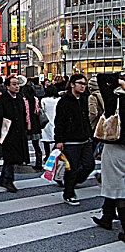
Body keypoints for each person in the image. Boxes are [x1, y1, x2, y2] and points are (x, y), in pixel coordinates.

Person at [92, 72, 125, 243]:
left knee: (116, 187)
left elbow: (101, 77)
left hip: (116, 147)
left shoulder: (115, 101)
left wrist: (119, 79)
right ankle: (107, 215)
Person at [54, 74, 94, 206]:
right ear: (72, 84)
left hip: (85, 139)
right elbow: (59, 122)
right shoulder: (64, 101)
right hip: (70, 141)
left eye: (84, 83)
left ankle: (73, 182)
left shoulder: (85, 99)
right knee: (72, 168)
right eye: (80, 83)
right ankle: (68, 193)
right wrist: (59, 140)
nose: (83, 86)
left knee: (89, 165)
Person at [0, 76, 29, 193]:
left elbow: (23, 114)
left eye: (17, 84)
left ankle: (4, 178)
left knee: (12, 157)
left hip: (18, 132)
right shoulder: (2, 99)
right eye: (14, 84)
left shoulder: (19, 98)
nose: (17, 86)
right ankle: (8, 180)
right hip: (6, 132)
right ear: (7, 86)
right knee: (10, 157)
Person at [22, 85, 43, 171]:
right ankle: (39, 163)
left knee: (25, 144)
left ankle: (26, 160)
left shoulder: (23, 100)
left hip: (26, 125)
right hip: (35, 125)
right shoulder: (36, 99)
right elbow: (37, 111)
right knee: (36, 145)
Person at [40, 85, 60, 163]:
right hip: (56, 120)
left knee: (46, 140)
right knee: (56, 139)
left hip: (47, 121)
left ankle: (47, 155)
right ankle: (55, 154)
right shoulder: (59, 99)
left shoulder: (44, 100)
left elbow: (42, 110)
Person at [88, 75, 105, 159]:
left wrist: (89, 122)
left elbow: (93, 112)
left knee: (92, 146)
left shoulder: (92, 97)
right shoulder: (104, 95)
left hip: (96, 124)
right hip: (104, 122)